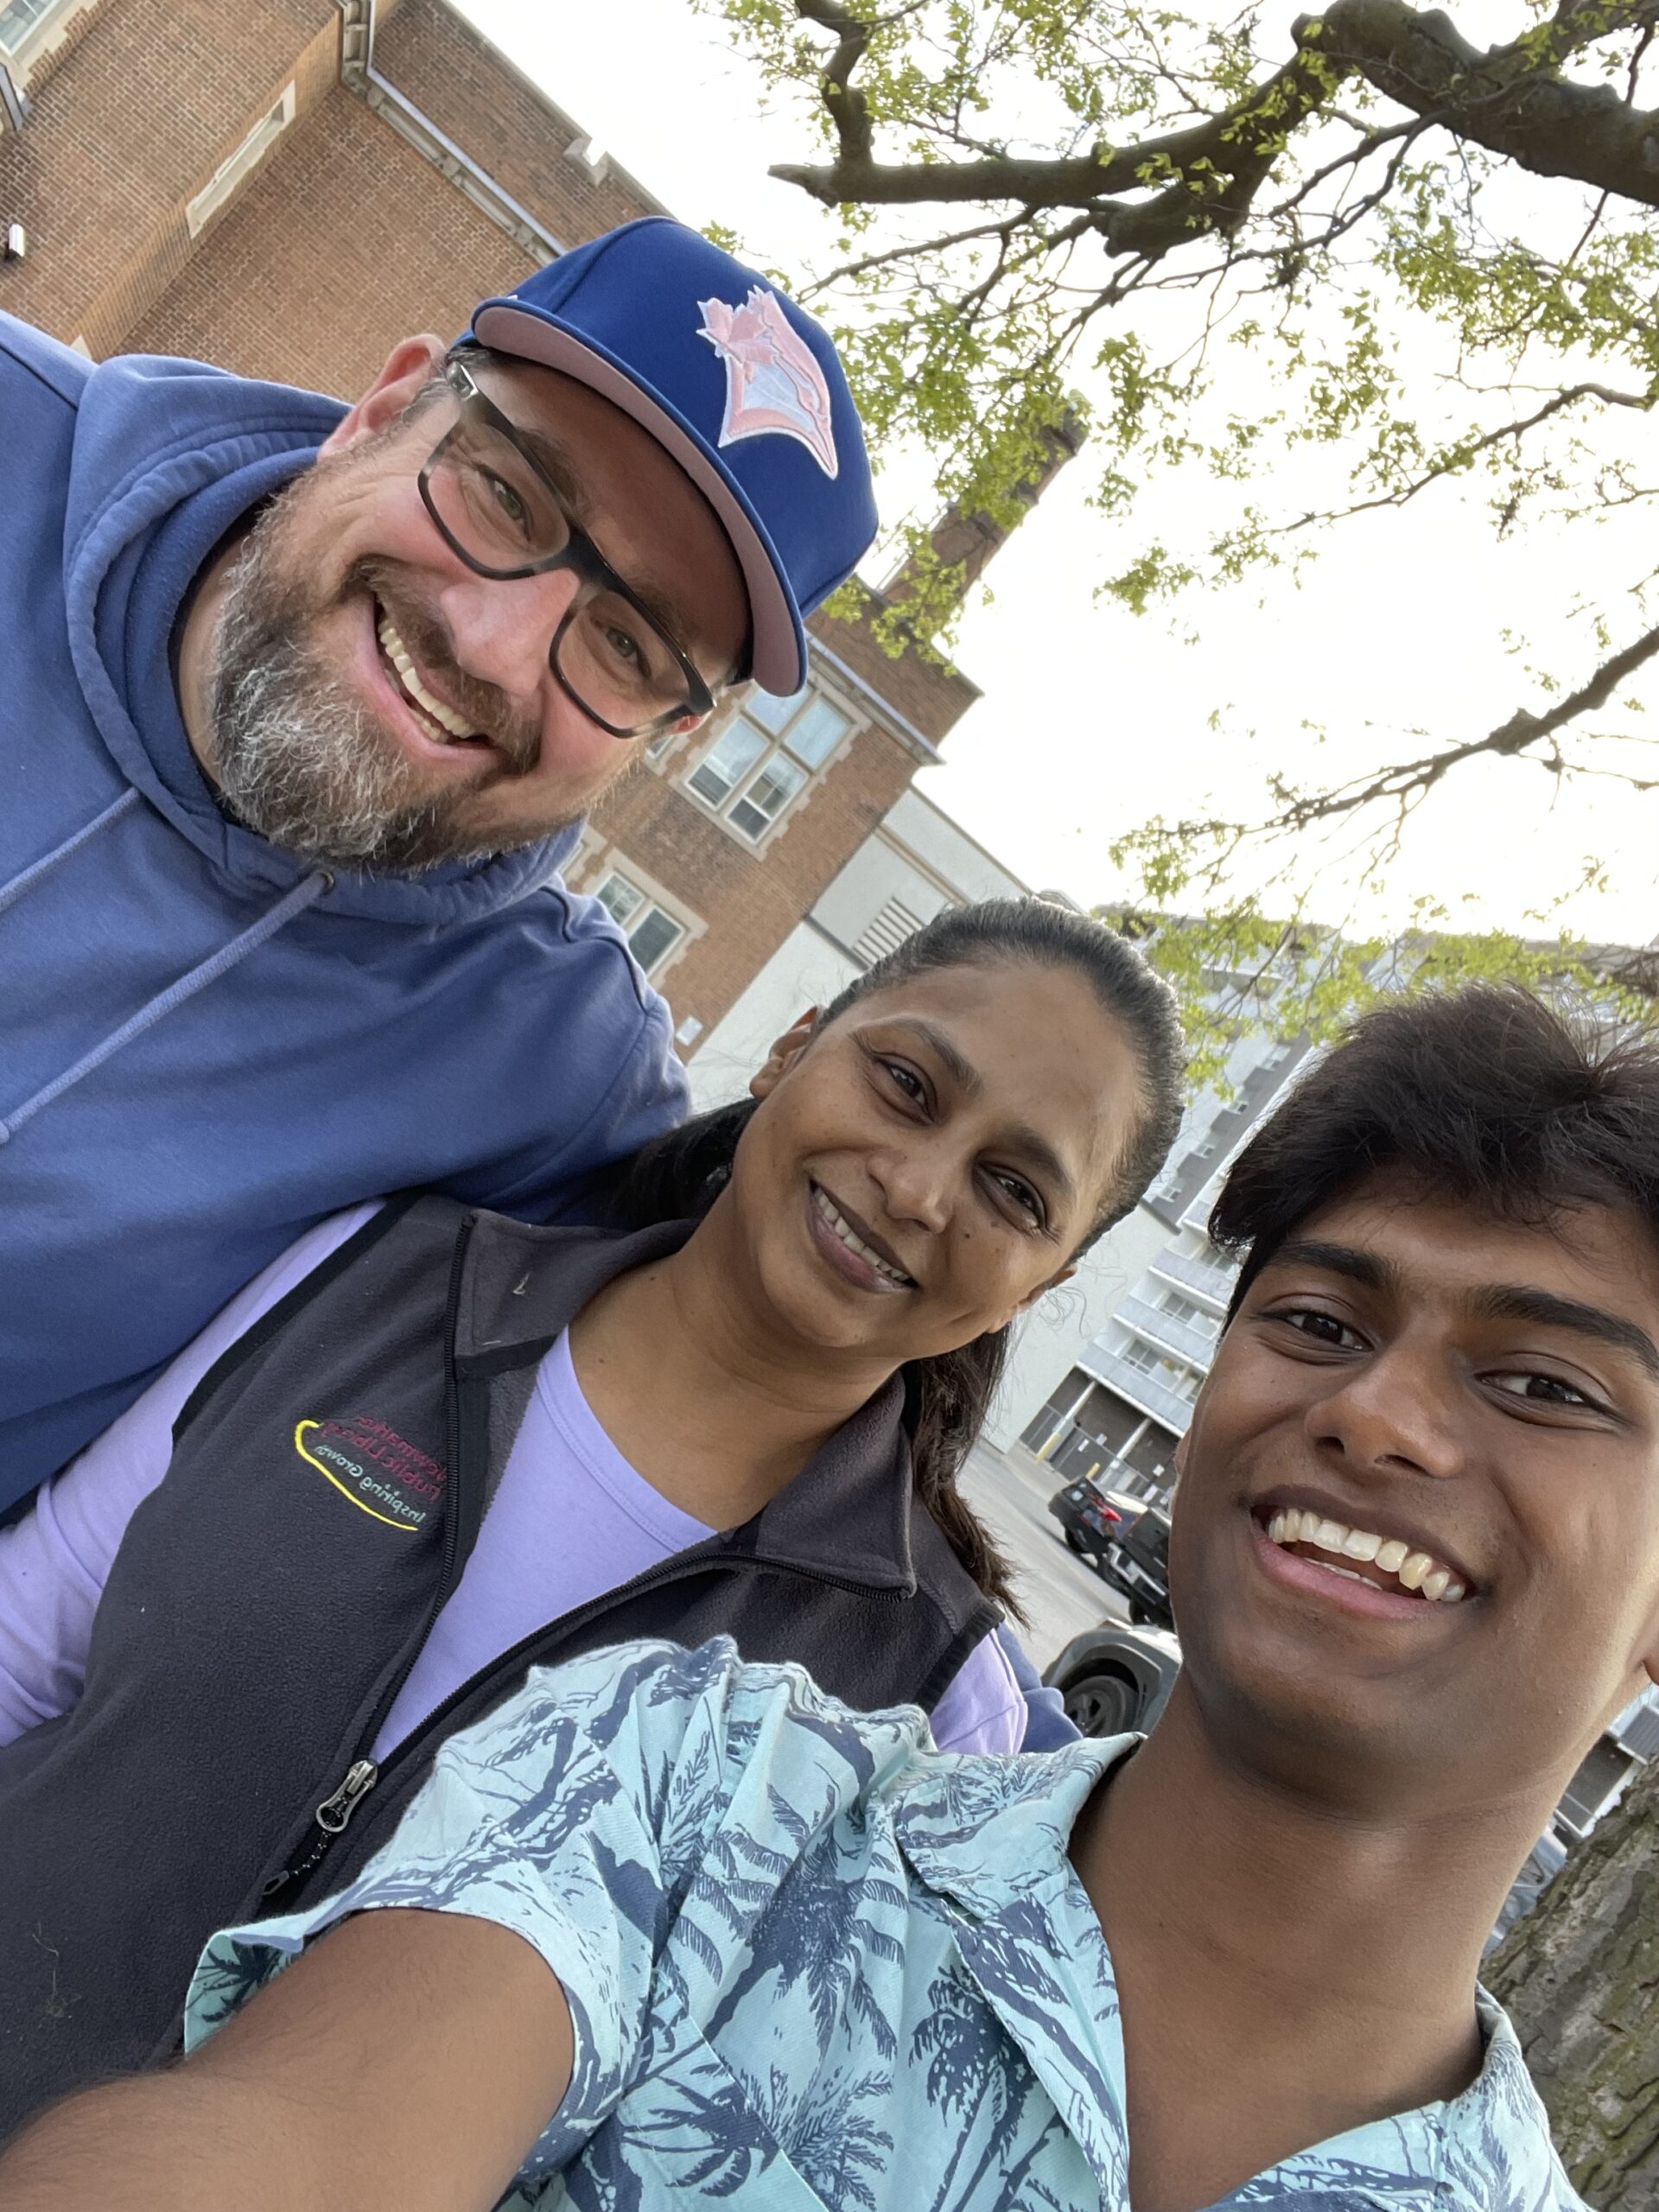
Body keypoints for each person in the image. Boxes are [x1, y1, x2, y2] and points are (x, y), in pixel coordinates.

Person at [2, 982, 1630, 2210]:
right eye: (1325, 1328)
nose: (1374, 1414)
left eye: (1546, 1385)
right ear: (792, 1049)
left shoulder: (937, 1673)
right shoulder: (692, 1780)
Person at [0, 898, 1185, 2139]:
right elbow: (27, 1646)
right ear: (793, 1047)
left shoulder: (932, 1710)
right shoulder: (379, 1280)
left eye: (1013, 1190)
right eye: (904, 1085)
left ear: (1039, 1286)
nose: (921, 1188)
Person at [0, 213, 877, 1515]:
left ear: (672, 737)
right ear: (388, 405)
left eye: (629, 646)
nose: (494, 646)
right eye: (508, 493)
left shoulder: (557, 1079)